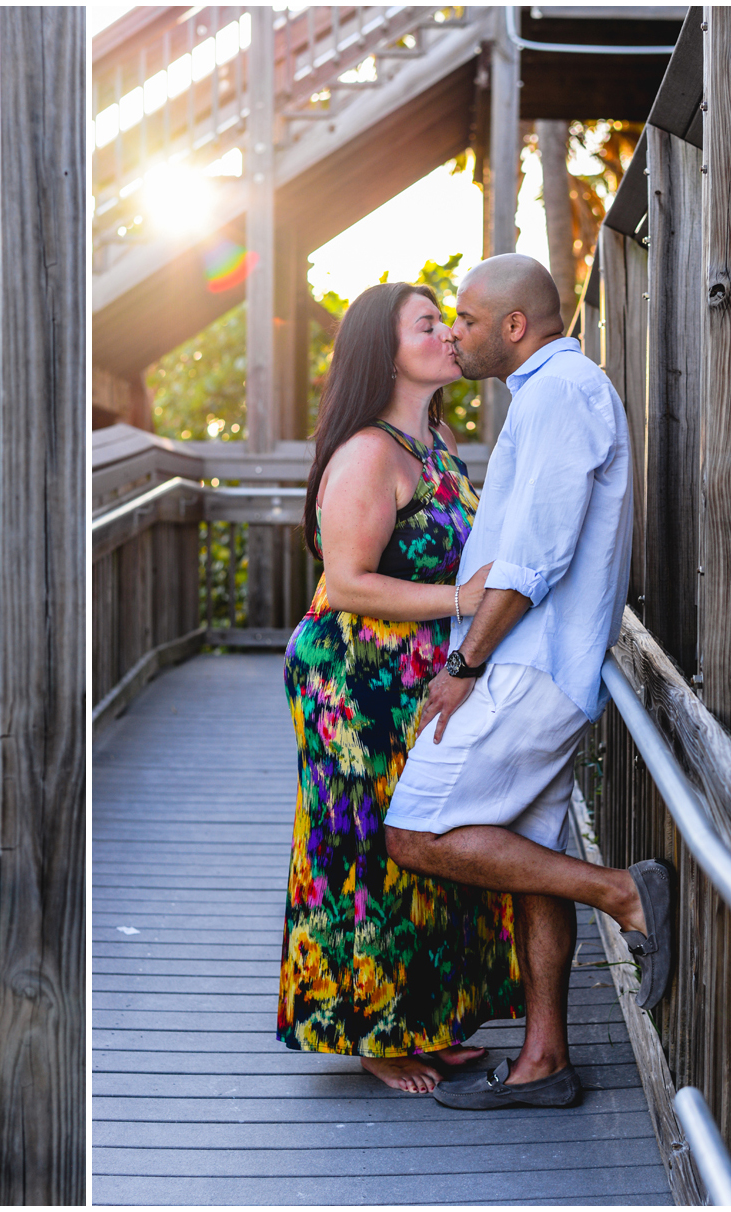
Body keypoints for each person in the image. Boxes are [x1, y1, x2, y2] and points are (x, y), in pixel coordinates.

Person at [383, 254, 674, 1112]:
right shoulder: (549, 393)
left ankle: (623, 892)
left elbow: (537, 556)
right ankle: (545, 1059)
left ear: (515, 325)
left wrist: (464, 665)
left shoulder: (560, 394)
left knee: (415, 831)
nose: (453, 334)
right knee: (527, 860)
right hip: (537, 667)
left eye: (466, 320)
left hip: (523, 669)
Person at [278, 280, 522, 1095]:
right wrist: (463, 600)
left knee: (425, 831)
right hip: (351, 680)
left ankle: (423, 1015)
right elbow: (344, 582)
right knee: (365, 843)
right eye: (429, 324)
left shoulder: (436, 442)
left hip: (413, 674)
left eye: (447, 321)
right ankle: (371, 1032)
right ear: (386, 352)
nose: (449, 333)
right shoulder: (367, 454)